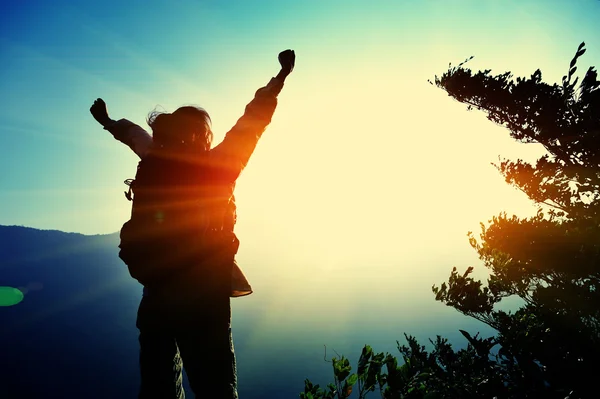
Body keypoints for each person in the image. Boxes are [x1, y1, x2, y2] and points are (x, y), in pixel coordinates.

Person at [90, 49, 295, 398]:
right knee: (215, 383)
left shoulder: (156, 157)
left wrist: (108, 121)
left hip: (157, 288)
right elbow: (252, 121)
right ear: (203, 136)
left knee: (159, 383)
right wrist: (279, 81)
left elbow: (134, 134)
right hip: (205, 294)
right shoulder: (220, 165)